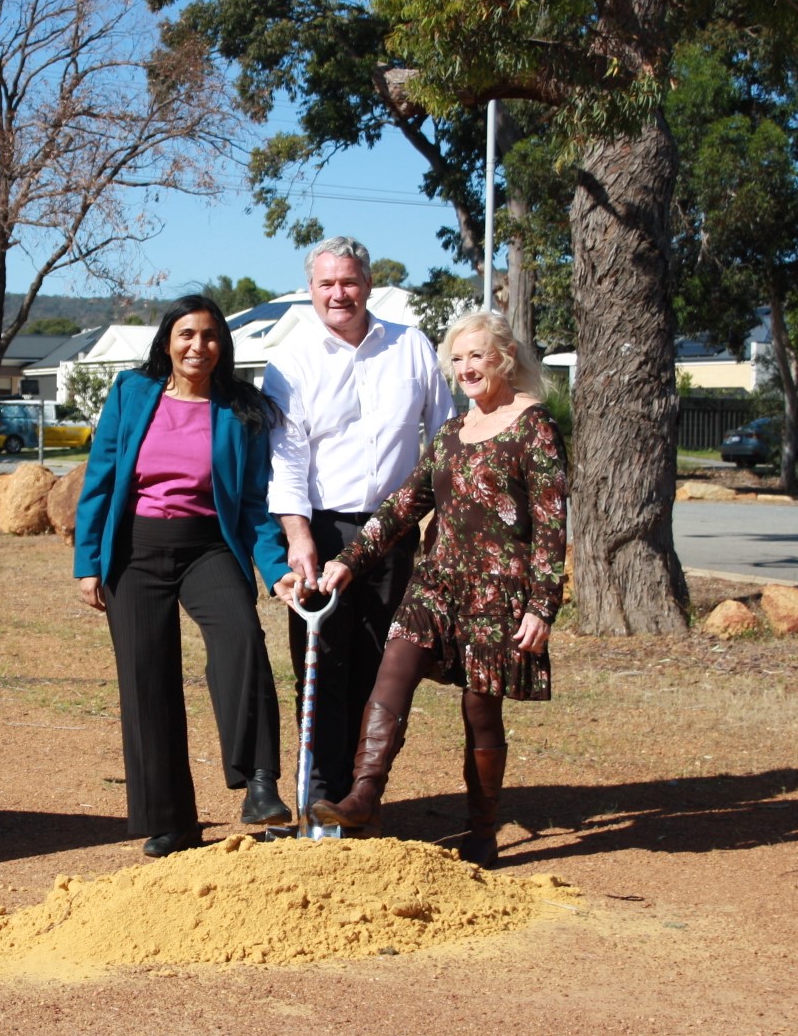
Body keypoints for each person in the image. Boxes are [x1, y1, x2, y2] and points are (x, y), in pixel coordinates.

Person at [277, 311, 568, 867]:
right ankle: (365, 795)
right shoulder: (452, 432)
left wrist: (542, 606)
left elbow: (553, 525)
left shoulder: (535, 427)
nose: (466, 368)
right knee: (394, 668)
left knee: (480, 711)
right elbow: (403, 506)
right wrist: (347, 563)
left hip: (498, 594)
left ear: (504, 357)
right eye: (457, 359)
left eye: (478, 356)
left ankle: (482, 831)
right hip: (436, 583)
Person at [75, 294, 293, 857]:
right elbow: (100, 477)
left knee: (241, 639)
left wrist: (275, 569)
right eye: (187, 335)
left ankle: (259, 781)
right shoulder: (131, 392)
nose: (199, 346)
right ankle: (169, 819)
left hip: (208, 547)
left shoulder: (240, 411)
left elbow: (253, 504)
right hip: (136, 549)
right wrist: (88, 562)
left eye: (211, 336)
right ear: (168, 342)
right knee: (147, 679)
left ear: (224, 345)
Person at [261, 236, 455, 811]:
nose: (338, 294)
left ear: (367, 284)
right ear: (311, 290)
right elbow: (287, 460)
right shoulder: (290, 361)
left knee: (383, 668)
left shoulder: (412, 347)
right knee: (320, 667)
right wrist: (299, 540)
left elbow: (443, 440)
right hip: (322, 533)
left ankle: (361, 798)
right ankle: (317, 796)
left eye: (348, 281)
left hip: (395, 532)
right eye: (326, 284)